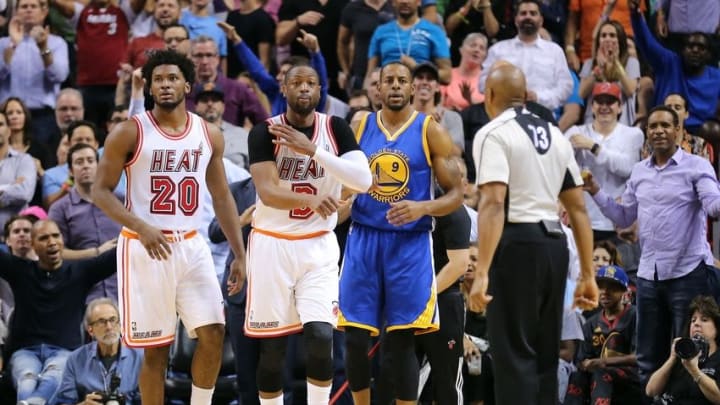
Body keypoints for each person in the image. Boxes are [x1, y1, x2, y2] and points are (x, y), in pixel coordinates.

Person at [91, 49, 247, 405]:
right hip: (145, 249)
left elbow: (222, 197)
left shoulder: (209, 135)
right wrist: (141, 226)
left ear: (187, 84)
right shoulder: (128, 133)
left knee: (214, 331)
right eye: (158, 79)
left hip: (192, 245)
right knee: (156, 351)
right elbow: (99, 192)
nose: (165, 85)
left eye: (172, 78)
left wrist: (239, 254)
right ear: (148, 86)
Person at [469, 63, 599, 404]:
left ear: (490, 96)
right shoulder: (555, 133)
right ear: (525, 96)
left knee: (513, 356)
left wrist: (481, 271)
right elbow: (578, 208)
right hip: (556, 245)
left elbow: (494, 203)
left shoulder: (493, 132)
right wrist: (588, 274)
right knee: (544, 357)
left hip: (517, 245)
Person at [242, 64, 372, 405]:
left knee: (320, 336)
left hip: (318, 246)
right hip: (272, 244)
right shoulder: (263, 132)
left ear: (320, 91)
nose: (303, 88)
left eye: (310, 83)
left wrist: (312, 150)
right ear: (283, 90)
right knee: (273, 350)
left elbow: (363, 180)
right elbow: (268, 192)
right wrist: (311, 197)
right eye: (296, 83)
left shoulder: (336, 128)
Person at [339, 61, 464, 405]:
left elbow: (456, 194)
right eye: (387, 81)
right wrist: (340, 202)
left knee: (401, 339)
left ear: (412, 89)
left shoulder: (430, 130)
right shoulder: (360, 124)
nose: (394, 86)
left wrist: (423, 207)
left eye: (402, 81)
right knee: (354, 336)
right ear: (376, 89)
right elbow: (344, 183)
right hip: (363, 238)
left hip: (409, 244)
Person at [584, 105, 720, 392]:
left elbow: (713, 207)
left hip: (689, 272)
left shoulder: (697, 166)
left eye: (665, 126)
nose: (658, 130)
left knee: (689, 349)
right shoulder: (639, 172)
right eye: (653, 126)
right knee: (648, 356)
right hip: (648, 276)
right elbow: (623, 217)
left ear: (679, 131)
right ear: (647, 134)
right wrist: (596, 190)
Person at [0, 219, 117, 404]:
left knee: (54, 376)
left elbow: (117, 256)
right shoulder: (20, 270)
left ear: (63, 240)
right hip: (25, 352)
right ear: (33, 245)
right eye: (44, 238)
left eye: (56, 235)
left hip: (64, 352)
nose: (52, 242)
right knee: (27, 379)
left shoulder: (81, 271)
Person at [565, 82, 644, 241]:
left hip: (618, 222)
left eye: (610, 102)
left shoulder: (633, 134)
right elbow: (559, 164)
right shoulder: (576, 132)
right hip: (583, 218)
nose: (604, 106)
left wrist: (593, 147)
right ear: (592, 106)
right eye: (600, 102)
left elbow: (628, 167)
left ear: (620, 107)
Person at [564, 265, 640, 404]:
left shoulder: (636, 316)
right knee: (577, 377)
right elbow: (582, 360)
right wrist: (586, 364)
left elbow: (639, 356)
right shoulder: (591, 323)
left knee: (601, 372)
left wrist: (603, 362)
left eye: (612, 287)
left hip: (632, 379)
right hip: (598, 379)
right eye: (600, 287)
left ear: (624, 290)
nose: (605, 292)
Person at [479, 0, 573, 111]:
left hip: (542, 115)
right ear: (515, 20)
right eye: (523, 13)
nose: (528, 17)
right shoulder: (498, 50)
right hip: (505, 114)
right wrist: (507, 95)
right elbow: (483, 84)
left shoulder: (555, 51)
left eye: (533, 13)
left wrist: (538, 97)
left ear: (541, 21)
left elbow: (565, 88)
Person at [53, 298, 144, 405]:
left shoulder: (140, 358)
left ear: (120, 324)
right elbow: (63, 402)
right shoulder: (75, 359)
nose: (109, 327)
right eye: (102, 322)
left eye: (113, 320)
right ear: (90, 330)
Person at [646, 295, 720, 404]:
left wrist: (694, 371)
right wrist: (672, 358)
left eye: (704, 320)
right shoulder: (683, 352)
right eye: (693, 320)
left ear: (717, 328)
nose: (696, 323)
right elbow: (651, 391)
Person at [366, 0, 452, 84]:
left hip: (419, 89)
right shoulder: (381, 31)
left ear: (419, 2)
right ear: (393, 2)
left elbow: (447, 75)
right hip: (388, 88)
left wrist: (417, 68)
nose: (405, 1)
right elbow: (370, 74)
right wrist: (364, 95)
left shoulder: (434, 31)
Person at [0, 109, 36, 231]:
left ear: (9, 130)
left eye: (0, 124)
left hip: (16, 241)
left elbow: (24, 194)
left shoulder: (24, 160)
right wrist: (10, 186)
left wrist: (3, 190)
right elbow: (16, 192)